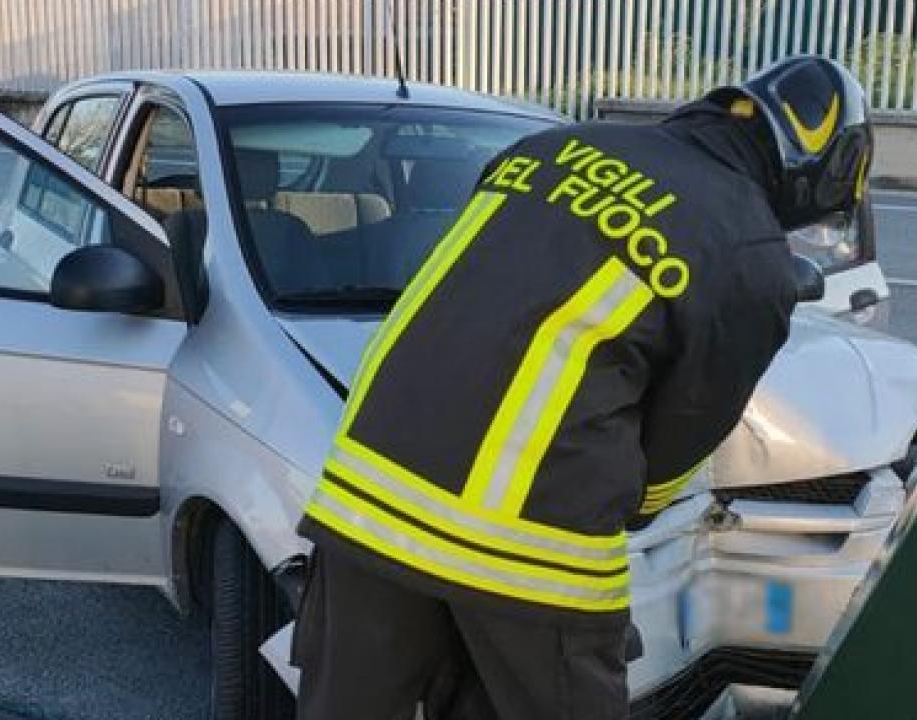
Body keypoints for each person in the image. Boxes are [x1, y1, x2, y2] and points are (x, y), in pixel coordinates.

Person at [291, 56, 877, 720]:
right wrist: (640, 505)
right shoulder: (749, 251)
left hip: (363, 500)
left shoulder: (544, 150)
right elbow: (683, 432)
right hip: (527, 546)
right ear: (813, 177)